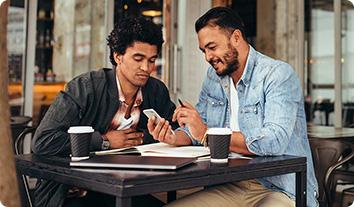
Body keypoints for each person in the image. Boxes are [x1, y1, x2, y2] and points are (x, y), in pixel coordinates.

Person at [147, 7, 318, 207]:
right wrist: (175, 137)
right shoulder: (214, 77)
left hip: (281, 187)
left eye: (212, 47)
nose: (208, 57)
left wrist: (207, 134)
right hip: (231, 183)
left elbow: (273, 141)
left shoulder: (277, 75)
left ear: (236, 37)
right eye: (204, 50)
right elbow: (198, 130)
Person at [32, 16, 176, 207]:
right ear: (118, 56)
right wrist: (105, 141)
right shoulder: (85, 88)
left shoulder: (155, 90)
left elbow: (174, 131)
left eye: (151, 60)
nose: (146, 68)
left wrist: (170, 131)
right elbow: (43, 141)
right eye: (138, 58)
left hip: (125, 187)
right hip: (73, 191)